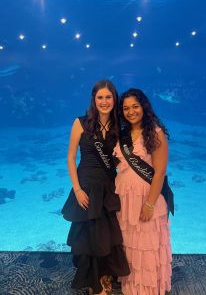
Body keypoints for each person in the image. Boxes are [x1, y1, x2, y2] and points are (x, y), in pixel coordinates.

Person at [61, 80, 130, 295]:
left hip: (109, 187)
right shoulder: (80, 123)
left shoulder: (120, 126)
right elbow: (71, 158)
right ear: (94, 99)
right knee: (88, 236)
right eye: (100, 97)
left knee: (107, 236)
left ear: (114, 99)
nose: (104, 101)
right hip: (86, 187)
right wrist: (78, 189)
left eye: (108, 97)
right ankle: (93, 281)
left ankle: (106, 275)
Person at [113, 88, 173, 295]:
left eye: (135, 107)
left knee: (146, 245)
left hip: (146, 199)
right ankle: (131, 283)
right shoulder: (122, 134)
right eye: (126, 108)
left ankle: (146, 288)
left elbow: (160, 172)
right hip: (125, 199)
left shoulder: (155, 133)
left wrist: (150, 204)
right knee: (129, 242)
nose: (131, 112)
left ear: (144, 107)